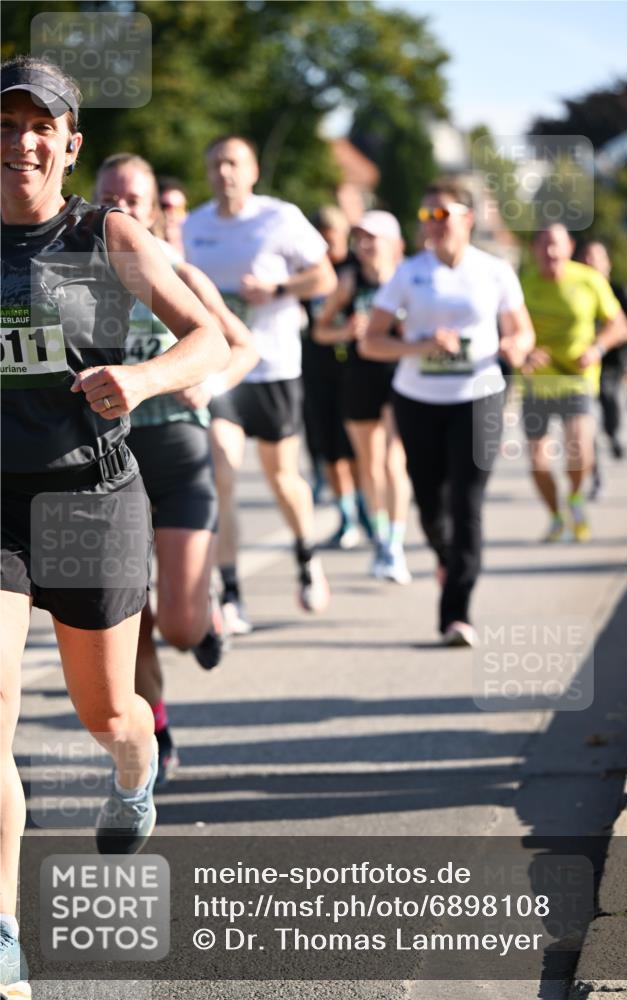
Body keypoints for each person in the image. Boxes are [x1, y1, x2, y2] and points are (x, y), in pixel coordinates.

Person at [0, 56, 229, 999]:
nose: (22, 141)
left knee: (110, 715)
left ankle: (135, 773)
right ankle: (6, 929)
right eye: (6, 124)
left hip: (89, 499)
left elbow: (207, 335)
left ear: (70, 143)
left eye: (40, 125)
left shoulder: (108, 232)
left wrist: (136, 381)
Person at [95, 153, 258, 783]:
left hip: (178, 452)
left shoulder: (180, 274)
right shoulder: (70, 278)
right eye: (112, 198)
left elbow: (241, 344)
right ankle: (156, 725)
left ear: (157, 209)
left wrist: (210, 383)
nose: (123, 209)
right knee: (126, 610)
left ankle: (205, 612)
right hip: (110, 460)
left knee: (183, 628)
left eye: (135, 199)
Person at [361, 180, 534, 646]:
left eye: (442, 215)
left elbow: (522, 331)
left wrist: (517, 346)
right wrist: (419, 345)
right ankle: (445, 555)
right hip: (418, 400)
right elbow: (371, 341)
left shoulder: (494, 270)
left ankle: (456, 612)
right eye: (425, 217)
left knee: (468, 503)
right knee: (431, 504)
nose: (432, 225)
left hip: (479, 398)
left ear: (468, 219)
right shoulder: (408, 273)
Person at [183, 135, 336, 630]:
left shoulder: (280, 217)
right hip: (222, 368)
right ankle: (231, 594)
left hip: (273, 365)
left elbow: (325, 278)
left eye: (233, 163)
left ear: (251, 171)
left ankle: (307, 555)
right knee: (222, 474)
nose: (224, 172)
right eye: (215, 164)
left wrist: (277, 289)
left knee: (282, 478)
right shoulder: (196, 225)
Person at [315, 210, 413, 583]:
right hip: (358, 378)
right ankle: (382, 538)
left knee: (392, 462)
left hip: (400, 377)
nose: (366, 245)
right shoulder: (349, 281)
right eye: (361, 238)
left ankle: (396, 546)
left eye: (374, 238)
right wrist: (344, 332)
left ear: (393, 244)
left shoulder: (409, 279)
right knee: (369, 466)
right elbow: (320, 331)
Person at [521, 225, 625, 541]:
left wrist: (597, 348)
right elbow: (508, 326)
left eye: (556, 245)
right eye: (544, 245)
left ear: (569, 247)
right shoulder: (523, 283)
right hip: (537, 383)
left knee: (579, 451)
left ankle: (576, 497)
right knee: (539, 463)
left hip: (576, 378)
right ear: (534, 249)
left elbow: (617, 324)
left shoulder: (588, 280)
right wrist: (525, 351)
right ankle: (555, 516)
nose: (550, 252)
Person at [302, 205, 371, 549]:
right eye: (321, 242)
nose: (327, 248)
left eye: (332, 240)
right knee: (328, 448)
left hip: (356, 370)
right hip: (316, 368)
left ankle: (365, 511)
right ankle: (346, 518)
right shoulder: (308, 270)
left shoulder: (356, 270)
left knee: (355, 449)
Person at [578, 240, 627, 497]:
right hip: (583, 366)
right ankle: (598, 478)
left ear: (607, 263)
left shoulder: (618, 290)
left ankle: (614, 433)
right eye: (585, 258)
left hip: (612, 365)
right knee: (588, 423)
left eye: (595, 258)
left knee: (610, 403)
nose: (590, 263)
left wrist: (616, 336)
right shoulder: (576, 289)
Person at [157, 175, 188, 257]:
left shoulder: (196, 248)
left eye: (180, 208)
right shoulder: (145, 247)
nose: (173, 214)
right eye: (165, 206)